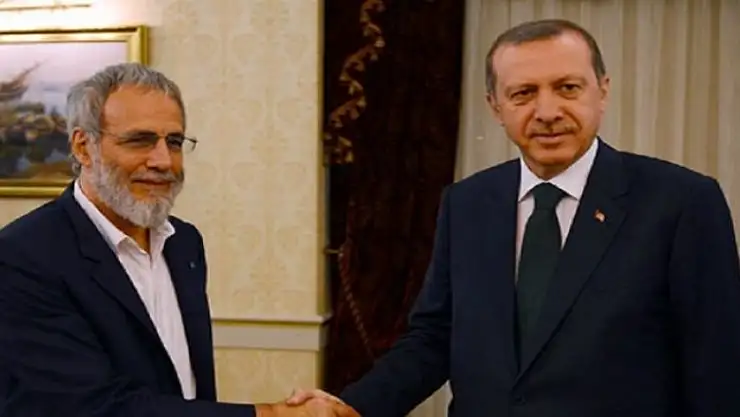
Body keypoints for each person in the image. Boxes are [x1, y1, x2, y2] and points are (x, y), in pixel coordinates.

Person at [288, 18, 740, 417]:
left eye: (568, 88)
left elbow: (717, 368)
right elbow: (435, 337)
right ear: (495, 106)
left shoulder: (682, 202)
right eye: (523, 93)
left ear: (602, 91)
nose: (547, 112)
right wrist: (352, 406)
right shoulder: (467, 202)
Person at [0, 63, 357, 417]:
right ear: (83, 147)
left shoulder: (184, 243)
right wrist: (272, 415)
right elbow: (90, 406)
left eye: (173, 142)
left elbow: (189, 389)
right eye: (140, 140)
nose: (163, 161)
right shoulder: (22, 256)